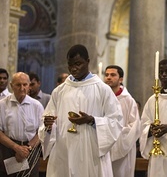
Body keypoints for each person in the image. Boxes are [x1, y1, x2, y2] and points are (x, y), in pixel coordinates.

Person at [38, 44, 123, 176]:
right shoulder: (59, 91)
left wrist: (92, 120)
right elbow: (48, 121)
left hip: (90, 152)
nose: (74, 68)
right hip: (64, 152)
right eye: (70, 64)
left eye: (78, 64)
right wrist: (48, 126)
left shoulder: (102, 89)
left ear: (88, 62)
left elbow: (116, 121)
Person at [0, 72, 44, 176]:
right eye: (18, 85)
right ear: (11, 85)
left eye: (25, 84)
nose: (22, 88)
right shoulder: (2, 104)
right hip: (9, 149)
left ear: (29, 86)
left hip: (30, 149)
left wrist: (27, 148)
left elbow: (42, 130)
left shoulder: (36, 105)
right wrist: (16, 148)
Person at [104, 65, 141, 177]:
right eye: (106, 75)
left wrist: (115, 135)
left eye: (113, 75)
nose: (108, 77)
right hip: (104, 148)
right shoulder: (102, 98)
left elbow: (134, 127)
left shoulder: (128, 100)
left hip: (123, 150)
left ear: (121, 79)